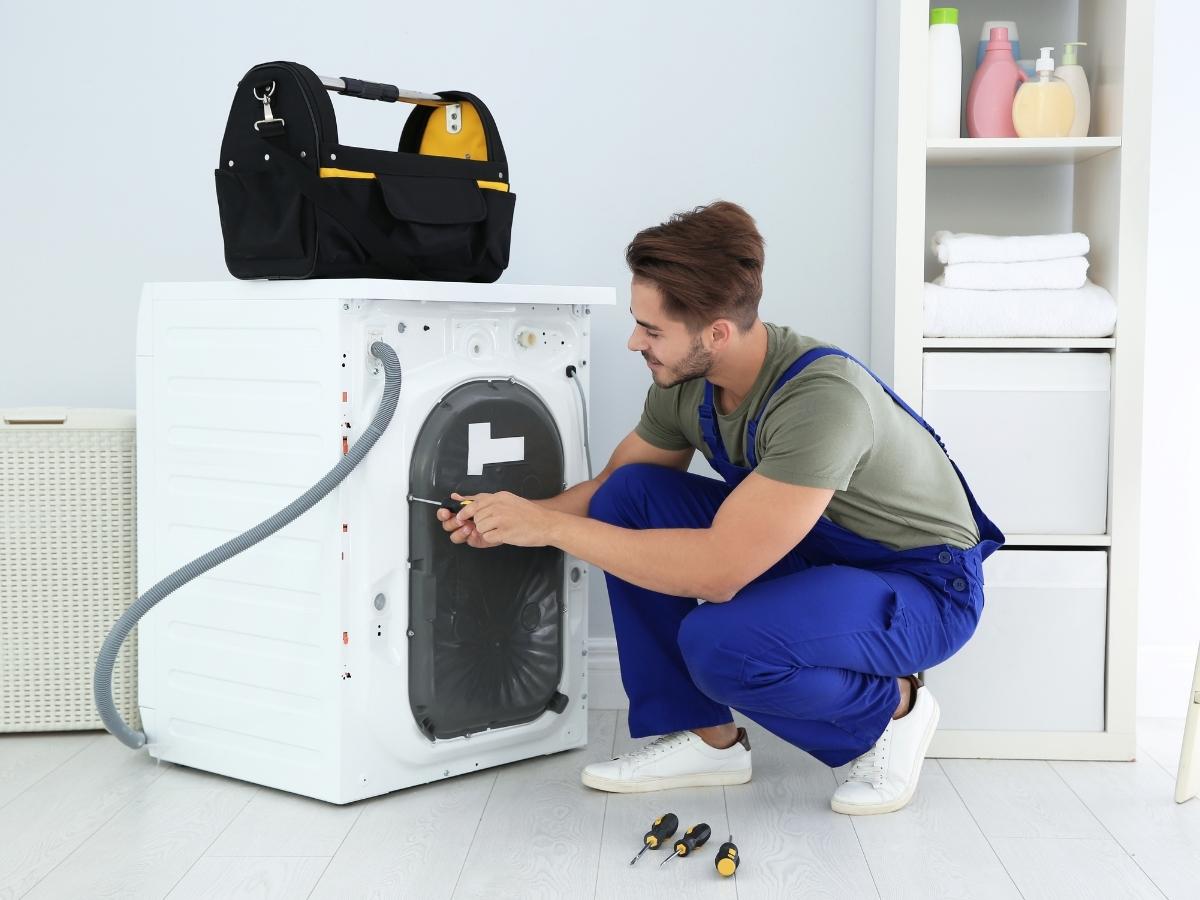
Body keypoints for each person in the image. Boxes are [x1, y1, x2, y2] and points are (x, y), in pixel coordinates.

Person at [437, 201, 1004, 815]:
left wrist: (546, 526)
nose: (634, 342)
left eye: (651, 331)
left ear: (716, 333)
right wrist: (514, 519)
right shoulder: (688, 384)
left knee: (719, 644)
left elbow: (717, 570)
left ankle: (894, 708)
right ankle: (709, 741)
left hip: (920, 584)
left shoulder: (820, 400)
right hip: (811, 552)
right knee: (628, 496)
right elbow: (613, 492)